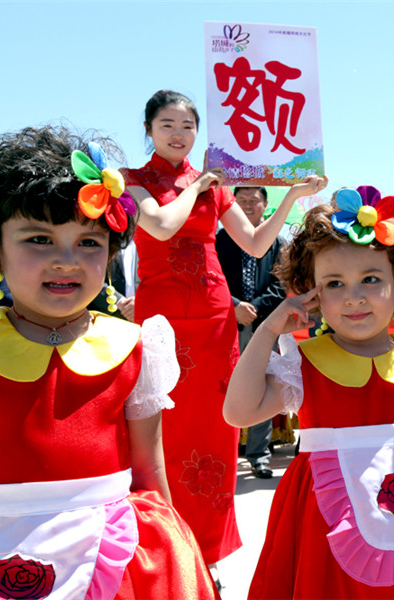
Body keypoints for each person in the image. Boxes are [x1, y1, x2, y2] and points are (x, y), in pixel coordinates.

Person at [0, 126, 217, 599]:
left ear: (114, 253)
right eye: (38, 239)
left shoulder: (135, 348)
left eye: (89, 243)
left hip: (117, 563)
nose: (66, 260)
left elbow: (150, 476)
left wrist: (177, 568)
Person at [223, 187, 394, 599]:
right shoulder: (304, 360)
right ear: (313, 292)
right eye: (334, 283)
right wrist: (268, 328)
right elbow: (239, 412)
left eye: (371, 279)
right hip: (322, 519)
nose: (354, 297)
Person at [121, 90, 325, 578]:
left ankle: (206, 552)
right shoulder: (135, 180)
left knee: (214, 432)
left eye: (187, 126)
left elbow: (255, 243)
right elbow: (162, 225)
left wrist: (291, 199)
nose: (178, 133)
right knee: (161, 429)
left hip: (213, 316)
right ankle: (162, 547)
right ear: (149, 129)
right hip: (161, 318)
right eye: (167, 124)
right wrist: (198, 186)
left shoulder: (217, 187)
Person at [216, 185, 286, 479]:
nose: (247, 205)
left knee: (263, 386)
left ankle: (259, 455)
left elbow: (281, 284)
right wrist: (234, 306)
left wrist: (253, 307)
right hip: (225, 324)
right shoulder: (219, 239)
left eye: (253, 200)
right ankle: (225, 453)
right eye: (240, 200)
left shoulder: (277, 242)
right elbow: (212, 278)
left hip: (263, 325)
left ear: (265, 204)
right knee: (223, 387)